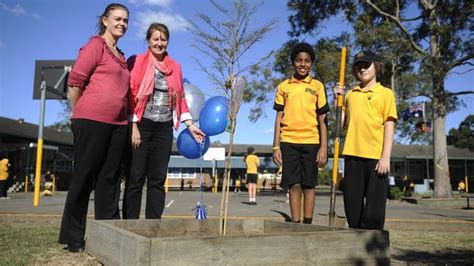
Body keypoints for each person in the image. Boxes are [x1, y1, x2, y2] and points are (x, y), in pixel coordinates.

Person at [59, 3, 130, 253]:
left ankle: (108, 235)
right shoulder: (95, 46)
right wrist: (78, 114)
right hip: (91, 121)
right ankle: (73, 237)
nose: (122, 23)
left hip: (119, 125)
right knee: (84, 177)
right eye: (117, 19)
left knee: (109, 182)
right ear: (105, 21)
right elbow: (76, 81)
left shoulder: (121, 56)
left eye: (125, 20)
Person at [123, 23, 205, 219]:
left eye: (163, 39)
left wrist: (191, 125)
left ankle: (153, 224)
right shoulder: (137, 61)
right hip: (142, 125)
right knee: (135, 177)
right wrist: (133, 126)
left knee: (158, 178)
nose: (159, 43)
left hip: (164, 128)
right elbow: (130, 93)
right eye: (155, 39)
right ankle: (130, 224)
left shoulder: (175, 66)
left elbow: (180, 96)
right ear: (148, 41)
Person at [333, 50, 397, 230]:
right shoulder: (350, 94)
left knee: (374, 210)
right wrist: (337, 100)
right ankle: (356, 241)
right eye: (358, 66)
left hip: (376, 158)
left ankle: (374, 245)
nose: (362, 69)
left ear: (376, 67)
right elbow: (342, 123)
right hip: (352, 155)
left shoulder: (386, 94)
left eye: (366, 65)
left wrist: (385, 157)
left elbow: (389, 125)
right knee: (352, 207)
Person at [272, 43, 329, 224]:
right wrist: (276, 146)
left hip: (311, 142)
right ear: (293, 63)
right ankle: (295, 225)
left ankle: (308, 223)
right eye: (299, 61)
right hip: (288, 141)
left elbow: (323, 120)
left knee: (308, 185)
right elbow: (278, 118)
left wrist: (323, 148)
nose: (303, 64)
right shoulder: (284, 86)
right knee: (294, 185)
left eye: (307, 61)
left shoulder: (318, 86)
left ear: (311, 63)